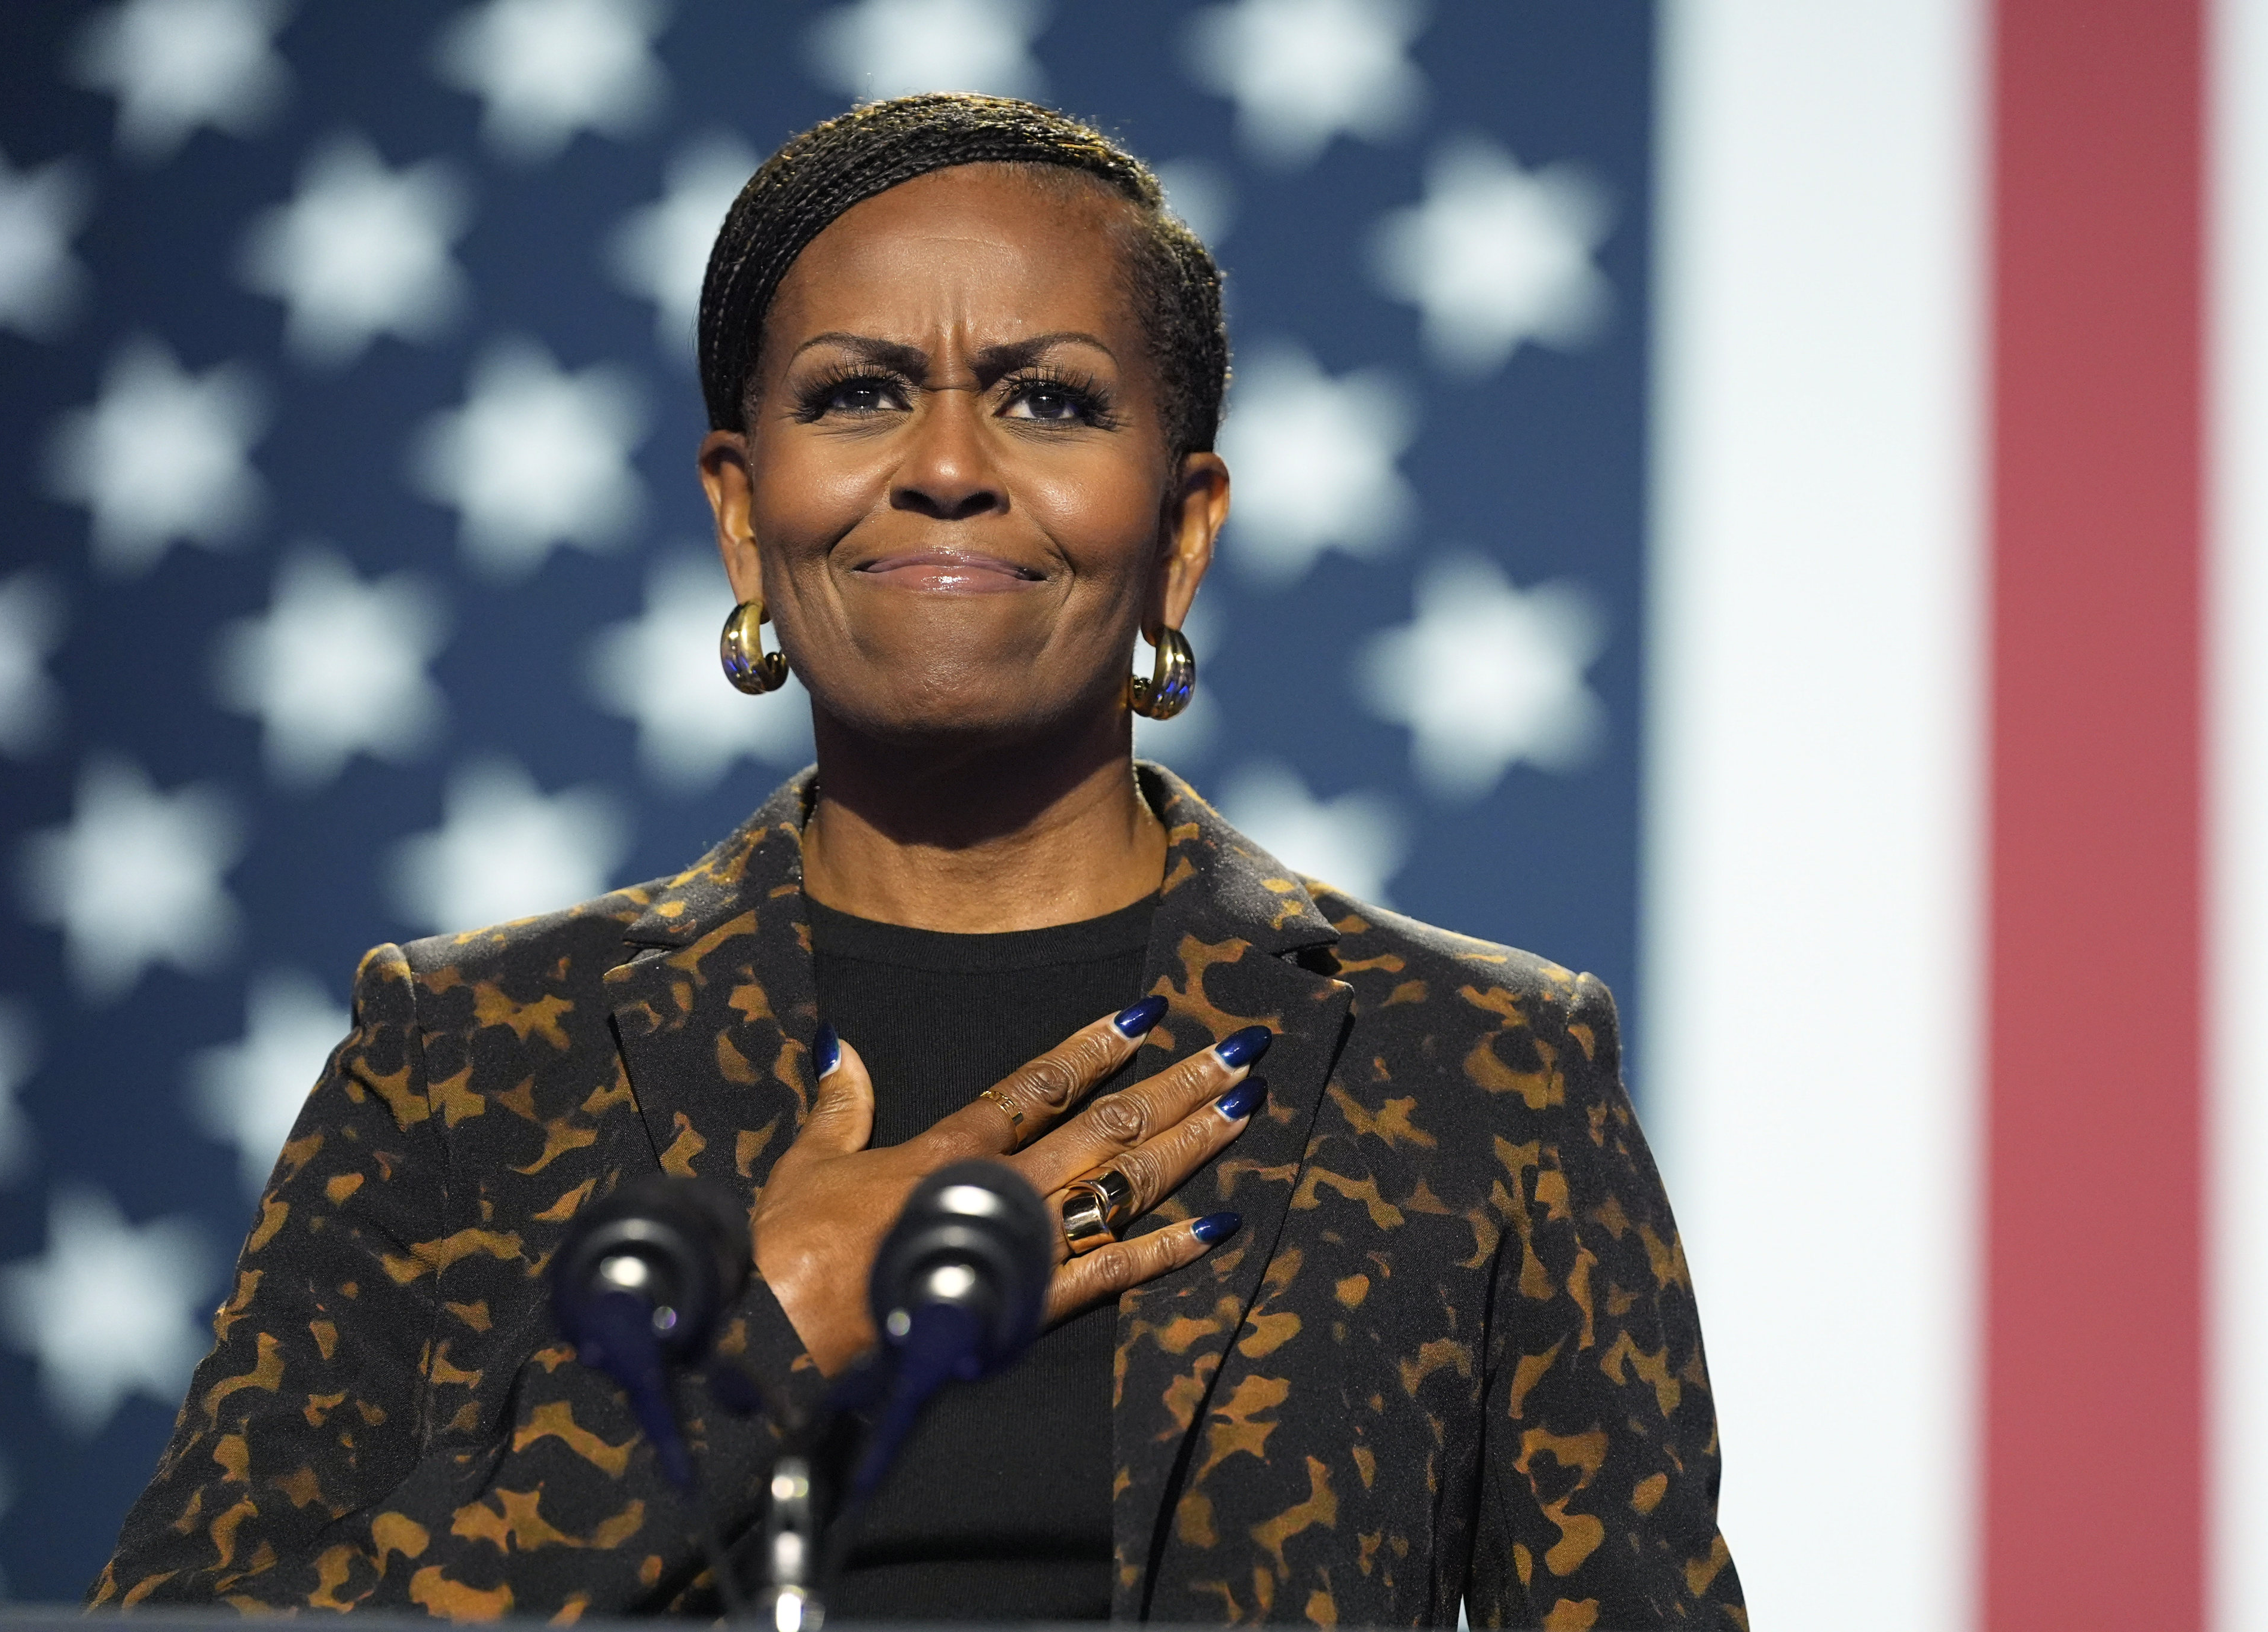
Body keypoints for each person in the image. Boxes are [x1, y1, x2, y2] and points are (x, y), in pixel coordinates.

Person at [93, 94, 1744, 1627]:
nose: (949, 464)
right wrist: (765, 1333)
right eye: (857, 392)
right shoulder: (455, 1067)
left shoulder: (1483, 1071)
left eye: (1052, 398)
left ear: (1182, 528)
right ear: (744, 515)